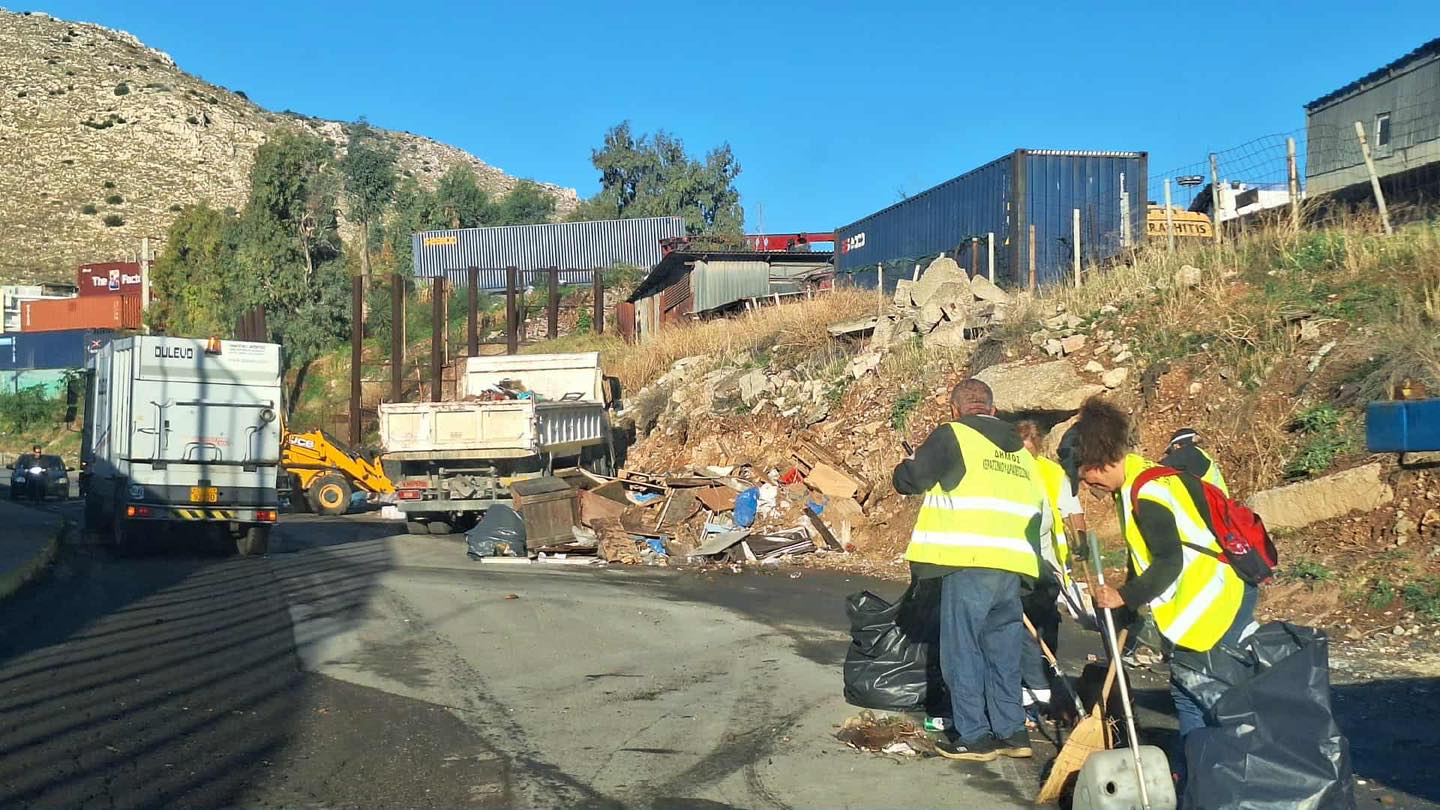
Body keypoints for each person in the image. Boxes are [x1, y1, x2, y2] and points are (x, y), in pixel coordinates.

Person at [1069, 397, 1257, 777]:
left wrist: (1123, 596)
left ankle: (1213, 783)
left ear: (1097, 462)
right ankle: (1201, 780)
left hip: (1215, 601)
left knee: (1201, 696)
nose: (1087, 484)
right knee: (1195, 693)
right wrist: (1127, 612)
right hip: (1209, 600)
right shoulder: (1140, 482)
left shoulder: (1149, 494)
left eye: (1085, 475)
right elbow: (1144, 558)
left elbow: (1170, 560)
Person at [892, 379, 1048, 763]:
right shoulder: (1022, 454)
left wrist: (904, 468)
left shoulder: (954, 435)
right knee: (1003, 650)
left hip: (969, 562)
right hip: (1011, 566)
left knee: (962, 649)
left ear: (955, 409)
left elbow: (913, 479)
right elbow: (1037, 508)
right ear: (993, 411)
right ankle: (1012, 732)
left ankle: (974, 736)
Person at [1014, 420, 1087, 720]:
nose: (1026, 457)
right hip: (1015, 563)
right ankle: (1027, 696)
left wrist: (1081, 546)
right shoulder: (1008, 469)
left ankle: (1045, 688)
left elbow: (1073, 511)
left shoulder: (1053, 473)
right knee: (1018, 630)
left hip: (1047, 564)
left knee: (1045, 626)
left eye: (1031, 451)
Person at [1159, 427, 1229, 495]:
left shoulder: (1189, 452)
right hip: (1218, 501)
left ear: (1176, 446)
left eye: (1170, 452)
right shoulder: (1200, 455)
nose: (1171, 454)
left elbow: (1161, 467)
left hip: (1212, 502)